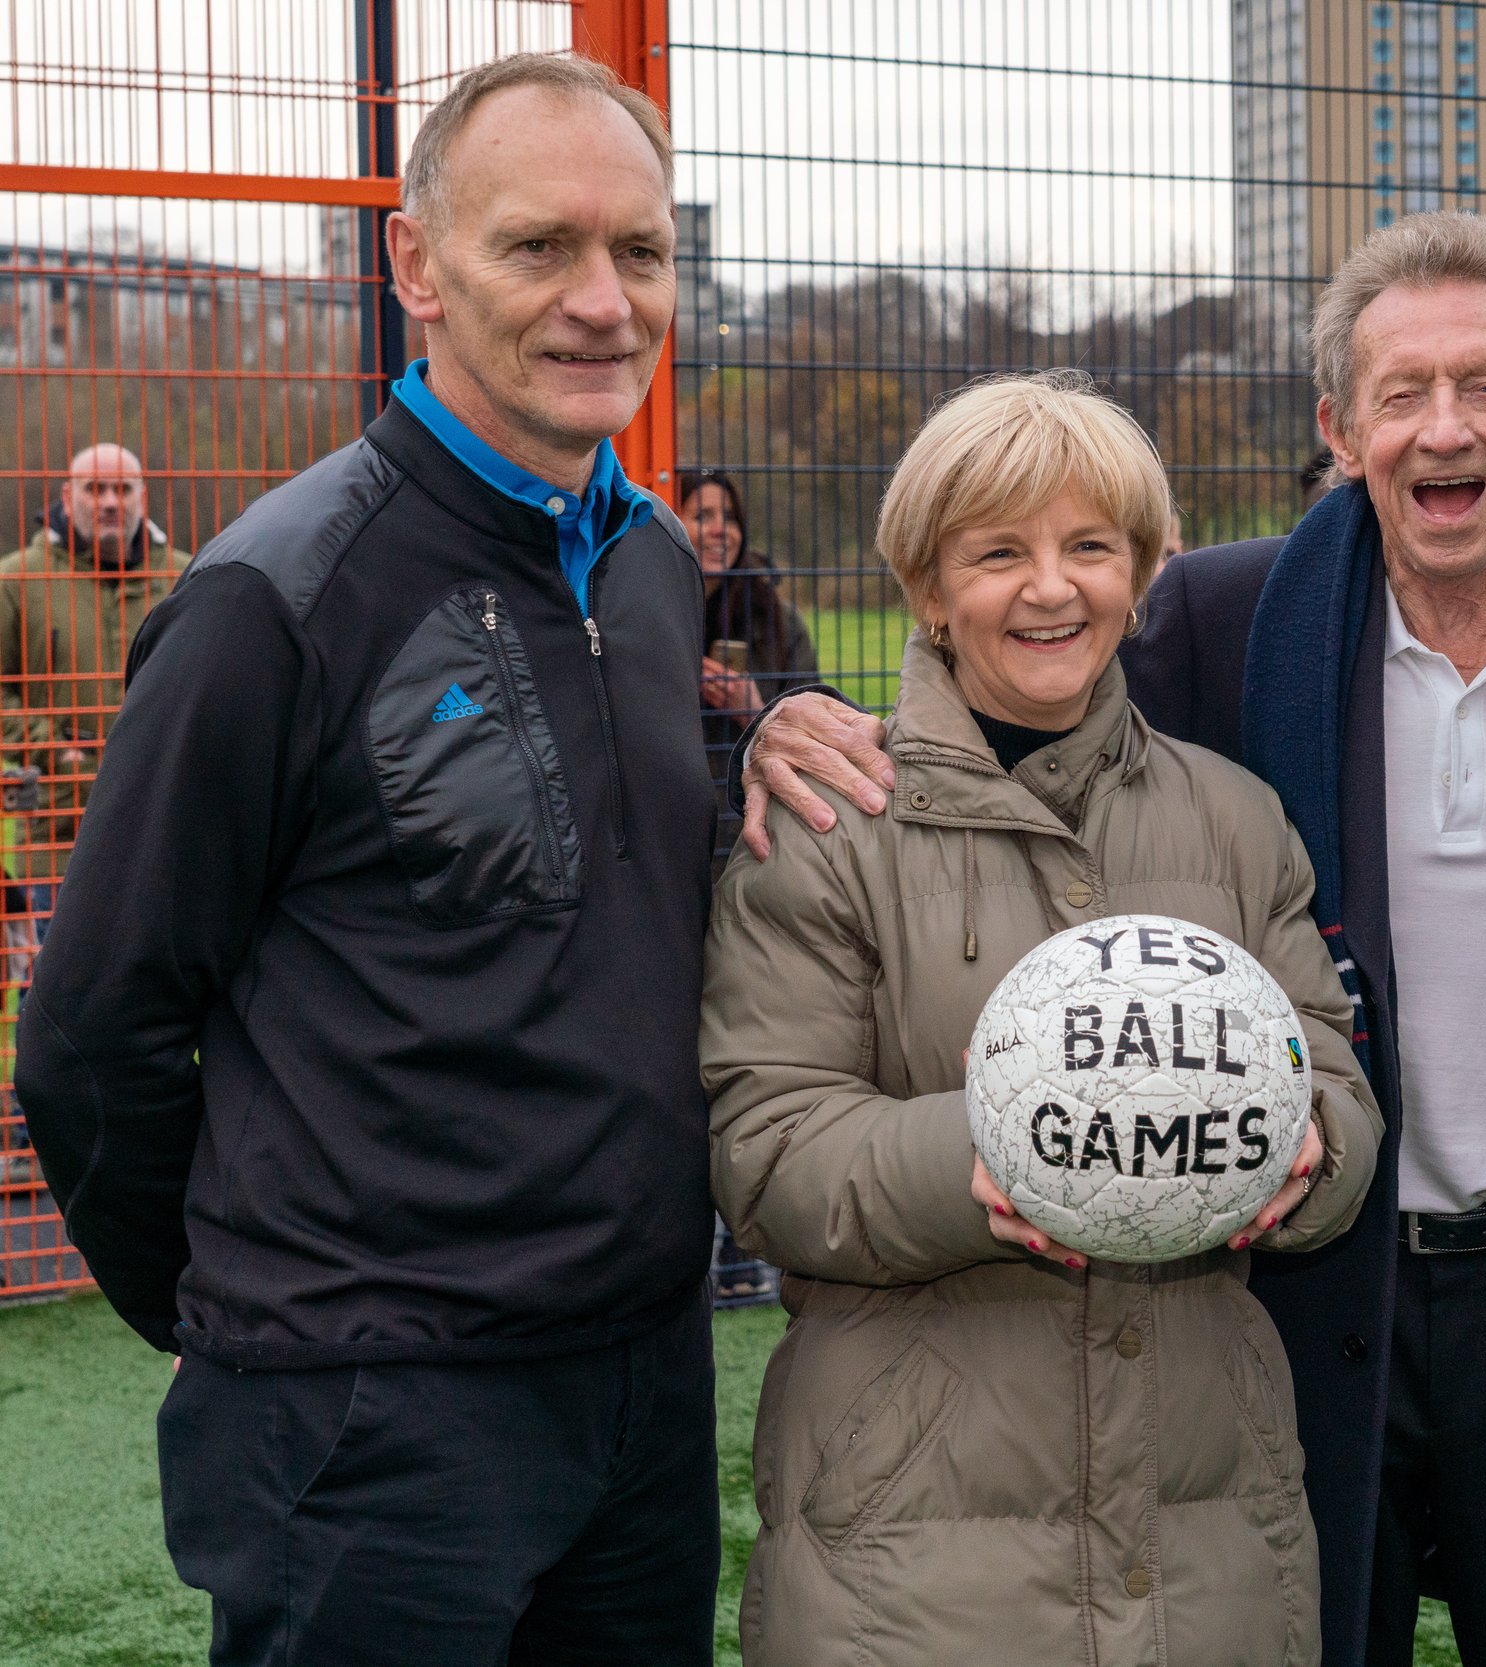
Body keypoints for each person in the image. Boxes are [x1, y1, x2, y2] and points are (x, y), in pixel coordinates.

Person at [732, 211, 1486, 1667]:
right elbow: (1032, 725)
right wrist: (807, 726)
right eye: (1401, 392)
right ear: (1340, 425)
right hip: (1303, 1287)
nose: (1443, 427)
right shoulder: (1223, 617)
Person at [14, 52, 722, 1664]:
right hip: (369, 1419)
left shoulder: (661, 562)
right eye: (540, 246)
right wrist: (267, 1321)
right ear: (416, 268)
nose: (605, 301)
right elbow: (90, 1038)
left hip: (646, 1386)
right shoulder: (274, 598)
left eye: (643, 251)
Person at [701, 371, 1382, 1666]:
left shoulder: (1233, 818)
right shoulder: (830, 825)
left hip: (1205, 1528)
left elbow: (1332, 1078)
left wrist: (1313, 1153)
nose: (1051, 586)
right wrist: (992, 1155)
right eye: (998, 551)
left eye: (1090, 547)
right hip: (910, 1543)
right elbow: (766, 1147)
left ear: (1143, 569)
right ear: (928, 584)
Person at [0, 443, 189, 933]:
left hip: (167, 828)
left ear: (142, 498)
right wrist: (51, 748)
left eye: (122, 489)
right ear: (68, 495)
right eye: (95, 488)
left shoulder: (186, 577)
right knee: (64, 996)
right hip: (62, 838)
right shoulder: (17, 580)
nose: (110, 501)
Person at [677, 468, 818, 852]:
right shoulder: (648, 615)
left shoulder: (776, 619)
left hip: (753, 831)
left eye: (731, 517)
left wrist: (754, 712)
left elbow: (813, 728)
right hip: (671, 829)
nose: (722, 529)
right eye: (702, 516)